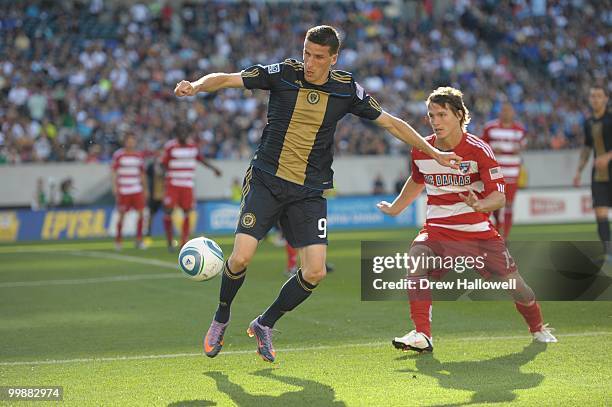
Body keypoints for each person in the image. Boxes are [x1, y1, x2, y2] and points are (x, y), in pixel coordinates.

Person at [174, 25, 461, 362]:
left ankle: (265, 323)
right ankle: (221, 317)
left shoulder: (346, 90)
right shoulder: (283, 73)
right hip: (267, 178)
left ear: (333, 58)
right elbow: (226, 78)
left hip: (309, 190)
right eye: (307, 53)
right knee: (239, 258)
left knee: (315, 272)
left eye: (318, 57)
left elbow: (391, 123)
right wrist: (195, 85)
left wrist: (435, 153)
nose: (309, 62)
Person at [377, 87, 557, 353]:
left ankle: (538, 327)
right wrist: (395, 208)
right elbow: (417, 180)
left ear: (459, 115)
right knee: (416, 259)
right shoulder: (421, 150)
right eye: (430, 115)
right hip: (438, 231)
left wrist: (480, 204)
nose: (435, 121)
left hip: (478, 232)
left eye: (441, 114)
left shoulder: (479, 150)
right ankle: (422, 335)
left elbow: (499, 197)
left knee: (518, 288)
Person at [161, 124, 222, 250]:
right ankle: (170, 241)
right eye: (180, 131)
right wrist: (163, 178)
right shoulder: (170, 146)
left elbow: (201, 159)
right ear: (176, 133)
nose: (182, 134)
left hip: (187, 185)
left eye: (185, 131)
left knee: (187, 212)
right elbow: (163, 164)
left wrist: (214, 168)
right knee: (168, 211)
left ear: (188, 133)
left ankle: (184, 242)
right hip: (173, 184)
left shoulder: (192, 146)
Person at [573, 85, 611, 256]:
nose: (595, 99)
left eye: (598, 96)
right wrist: (578, 171)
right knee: (600, 213)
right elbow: (587, 148)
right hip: (599, 176)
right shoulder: (588, 122)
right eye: (593, 96)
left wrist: (607, 157)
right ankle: (609, 253)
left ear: (606, 99)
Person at [481, 102, 526, 238]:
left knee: (509, 204)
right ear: (500, 112)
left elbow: (522, 146)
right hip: (495, 172)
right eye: (504, 110)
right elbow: (481, 146)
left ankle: (505, 236)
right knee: (495, 204)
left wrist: (519, 149)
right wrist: (492, 149)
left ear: (513, 113)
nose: (506, 113)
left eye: (509, 110)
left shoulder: (519, 130)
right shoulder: (490, 128)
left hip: (512, 172)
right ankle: (497, 229)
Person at [111, 133, 147, 250]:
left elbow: (142, 173)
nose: (131, 143)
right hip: (124, 190)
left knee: (141, 214)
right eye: (129, 141)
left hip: (136, 189)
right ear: (125, 142)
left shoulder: (138, 155)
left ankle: (139, 240)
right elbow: (114, 172)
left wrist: (145, 188)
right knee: (122, 215)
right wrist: (115, 187)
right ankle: (118, 241)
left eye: (133, 141)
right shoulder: (119, 155)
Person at [145, 153, 165, 243]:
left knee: (168, 214)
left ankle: (169, 235)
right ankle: (148, 234)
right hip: (153, 194)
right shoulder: (151, 166)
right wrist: (146, 190)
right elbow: (146, 177)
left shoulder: (165, 165)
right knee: (151, 215)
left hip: (164, 194)